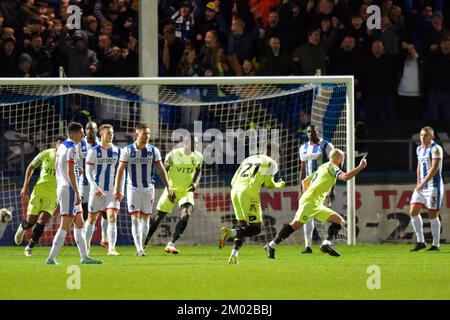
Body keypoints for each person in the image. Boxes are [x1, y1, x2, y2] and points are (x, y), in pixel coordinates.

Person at [265, 150, 367, 259]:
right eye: (343, 158)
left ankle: (326, 243)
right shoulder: (333, 167)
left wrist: (310, 194)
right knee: (295, 225)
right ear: (339, 158)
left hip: (315, 203)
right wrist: (360, 167)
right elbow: (345, 177)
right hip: (311, 202)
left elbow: (305, 182)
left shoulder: (323, 167)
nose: (343, 161)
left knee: (339, 221)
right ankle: (271, 245)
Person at [113, 122, 174, 257]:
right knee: (135, 218)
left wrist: (168, 186)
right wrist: (117, 188)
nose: (147, 136)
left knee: (146, 218)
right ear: (137, 133)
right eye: (144, 133)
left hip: (148, 188)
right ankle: (139, 248)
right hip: (132, 188)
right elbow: (120, 170)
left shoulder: (154, 150)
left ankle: (141, 245)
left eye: (148, 134)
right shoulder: (127, 150)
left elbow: (161, 170)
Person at [46, 122, 102, 265]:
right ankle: (51, 258)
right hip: (69, 189)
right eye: (81, 132)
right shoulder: (72, 148)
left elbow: (66, 166)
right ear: (72, 134)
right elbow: (70, 172)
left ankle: (84, 257)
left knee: (79, 223)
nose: (83, 134)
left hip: (63, 186)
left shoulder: (62, 146)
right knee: (65, 224)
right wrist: (77, 192)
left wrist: (78, 169)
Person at [219, 145, 285, 264]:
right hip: (249, 194)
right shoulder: (271, 163)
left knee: (243, 228)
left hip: (234, 192)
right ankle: (229, 232)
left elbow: (233, 180)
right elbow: (269, 184)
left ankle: (234, 255)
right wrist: (279, 184)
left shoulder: (249, 159)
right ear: (275, 154)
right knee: (255, 228)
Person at [143, 135, 203, 254]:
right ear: (185, 143)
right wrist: (169, 188)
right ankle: (144, 243)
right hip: (171, 189)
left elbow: (198, 170)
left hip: (186, 191)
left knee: (186, 215)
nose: (195, 146)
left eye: (196, 144)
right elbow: (163, 171)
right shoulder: (174, 154)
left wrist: (195, 183)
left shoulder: (198, 157)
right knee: (158, 218)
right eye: (193, 143)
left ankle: (171, 243)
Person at [14, 136, 66, 256]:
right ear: (55, 145)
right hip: (39, 191)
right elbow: (31, 166)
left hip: (53, 195)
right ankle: (22, 228)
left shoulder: (67, 159)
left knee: (42, 220)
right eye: (59, 144)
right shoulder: (46, 154)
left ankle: (29, 247)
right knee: (30, 222)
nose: (61, 147)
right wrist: (25, 185)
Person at [84, 124, 122, 256]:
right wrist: (94, 186)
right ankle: (86, 247)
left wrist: (120, 189)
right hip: (97, 191)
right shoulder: (93, 151)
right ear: (101, 134)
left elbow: (120, 172)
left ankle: (111, 248)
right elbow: (88, 173)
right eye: (108, 133)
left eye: (112, 133)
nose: (111, 135)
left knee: (112, 217)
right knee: (91, 219)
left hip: (112, 192)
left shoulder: (118, 151)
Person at [298, 125, 334, 254]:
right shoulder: (303, 148)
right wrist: (300, 189)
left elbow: (333, 168)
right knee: (307, 216)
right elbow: (302, 169)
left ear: (318, 132)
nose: (310, 134)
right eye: (308, 132)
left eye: (313, 131)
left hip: (323, 185)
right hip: (308, 187)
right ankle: (308, 246)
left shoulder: (327, 146)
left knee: (324, 215)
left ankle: (329, 243)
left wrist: (332, 189)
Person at [409, 127, 444, 252]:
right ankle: (421, 241)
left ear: (432, 136)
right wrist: (418, 183)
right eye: (421, 135)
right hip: (422, 186)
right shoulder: (419, 149)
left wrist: (423, 183)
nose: (423, 137)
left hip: (433, 187)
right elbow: (419, 166)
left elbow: (434, 168)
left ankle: (436, 245)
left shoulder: (436, 149)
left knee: (432, 215)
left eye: (426, 135)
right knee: (413, 211)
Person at [77, 122, 109, 249]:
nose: (90, 131)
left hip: (99, 184)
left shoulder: (103, 144)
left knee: (105, 211)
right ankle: (85, 241)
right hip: (83, 183)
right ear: (85, 130)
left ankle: (105, 238)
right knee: (85, 213)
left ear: (97, 131)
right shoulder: (79, 144)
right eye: (88, 128)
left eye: (92, 129)